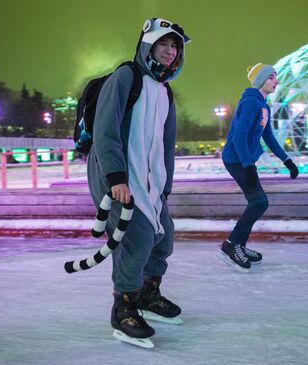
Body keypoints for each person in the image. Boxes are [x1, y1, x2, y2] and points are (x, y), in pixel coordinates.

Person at [87, 18, 190, 346]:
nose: (170, 51)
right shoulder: (126, 77)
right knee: (136, 238)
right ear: (148, 45)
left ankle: (148, 294)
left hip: (150, 181)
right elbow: (105, 130)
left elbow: (165, 143)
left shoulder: (165, 91)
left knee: (164, 237)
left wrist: (165, 186)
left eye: (175, 46)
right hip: (116, 175)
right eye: (164, 44)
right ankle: (124, 305)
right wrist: (115, 177)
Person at [219, 63, 299, 272]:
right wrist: (248, 166)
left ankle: (239, 245)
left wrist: (286, 160)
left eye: (276, 77)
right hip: (236, 159)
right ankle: (231, 244)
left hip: (244, 160)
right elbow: (239, 136)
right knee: (259, 201)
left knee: (258, 202)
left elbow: (268, 136)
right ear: (260, 80)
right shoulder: (250, 103)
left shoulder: (264, 106)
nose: (276, 81)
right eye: (271, 77)